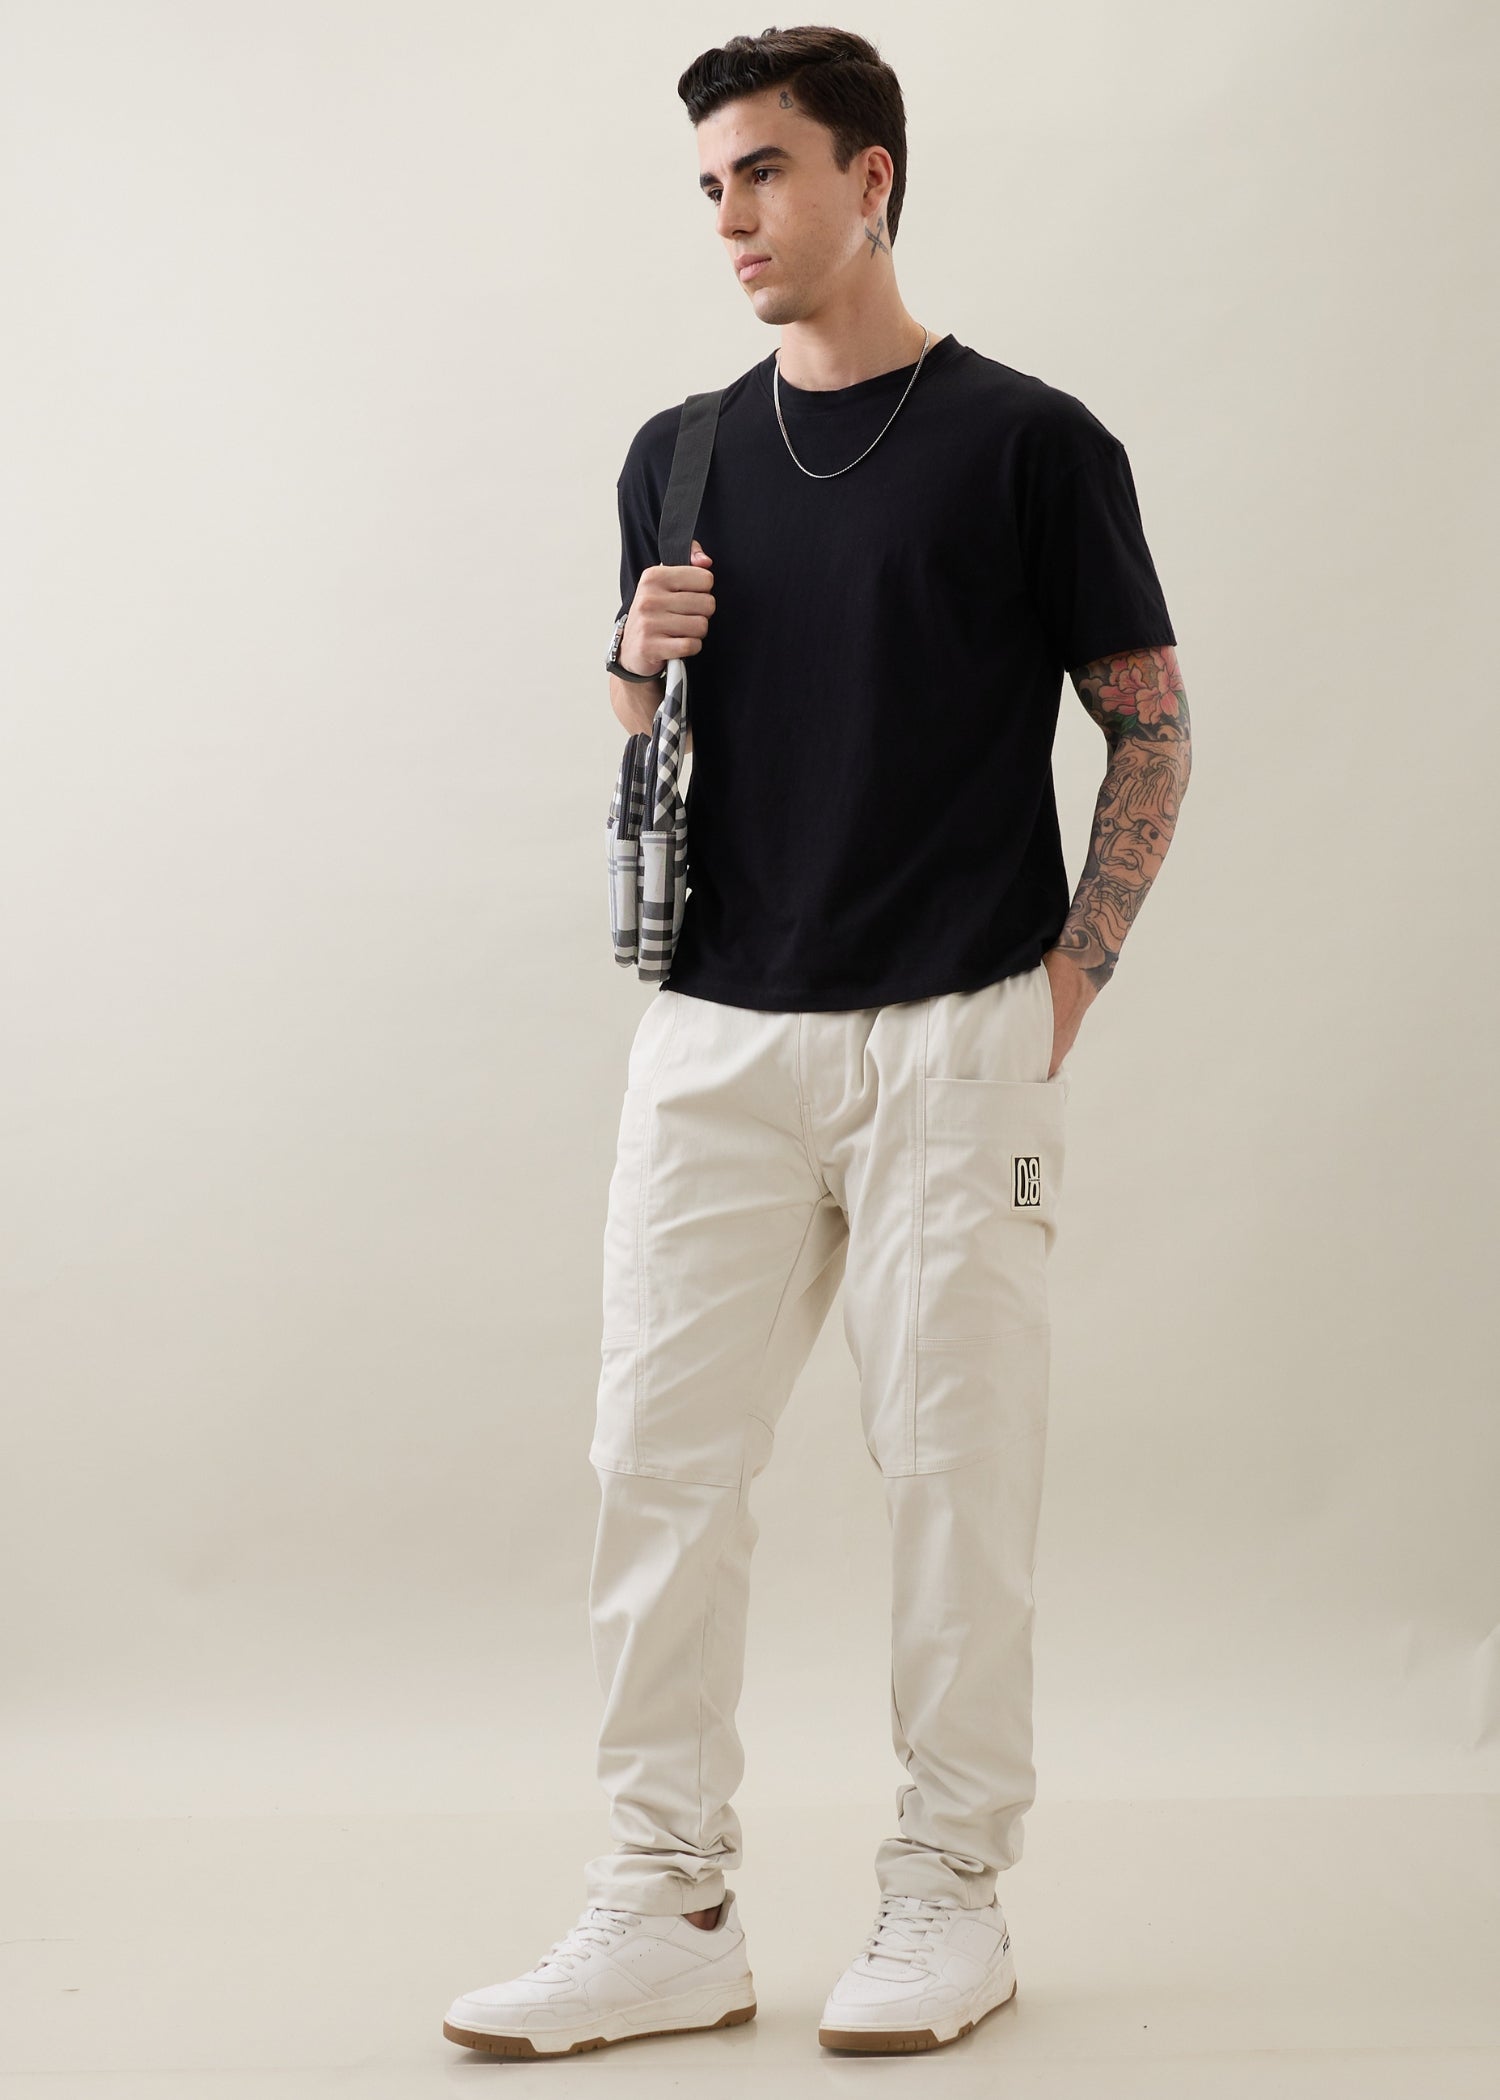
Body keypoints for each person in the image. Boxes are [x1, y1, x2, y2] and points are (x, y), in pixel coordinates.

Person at [443, 22, 1191, 2062]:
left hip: (958, 1032)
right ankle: (663, 1904)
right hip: (717, 1036)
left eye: (764, 171)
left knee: (957, 1475)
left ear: (873, 176)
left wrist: (1065, 988)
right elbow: (664, 740)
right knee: (653, 1467)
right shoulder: (679, 454)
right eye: (709, 186)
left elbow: (1149, 724)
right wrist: (630, 662)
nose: (732, 219)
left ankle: (950, 1893)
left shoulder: (1031, 442)